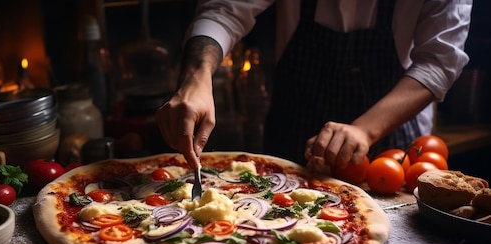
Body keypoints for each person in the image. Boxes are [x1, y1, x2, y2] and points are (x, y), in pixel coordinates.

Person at [155, 0, 473, 171]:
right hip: (290, 143)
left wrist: (365, 130)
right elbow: (223, 10)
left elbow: (438, 62)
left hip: (389, 153)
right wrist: (197, 75)